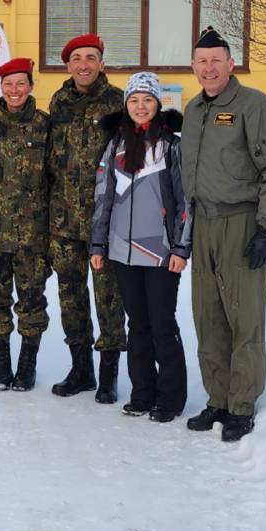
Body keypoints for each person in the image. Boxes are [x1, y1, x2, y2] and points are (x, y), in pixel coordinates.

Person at [179, 28, 266, 442]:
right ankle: (218, 398)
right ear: (193, 67)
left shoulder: (254, 107)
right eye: (201, 61)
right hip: (203, 225)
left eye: (216, 61)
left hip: (241, 221)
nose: (209, 68)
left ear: (231, 64)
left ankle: (242, 405)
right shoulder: (193, 111)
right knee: (208, 317)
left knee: (243, 317)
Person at [91, 72, 191, 423]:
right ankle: (142, 393)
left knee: (163, 324)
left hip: (161, 252)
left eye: (147, 99)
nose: (141, 106)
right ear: (126, 105)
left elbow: (184, 202)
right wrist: (99, 243)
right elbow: (103, 197)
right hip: (122, 251)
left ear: (158, 104)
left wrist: (181, 248)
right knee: (138, 325)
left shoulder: (171, 146)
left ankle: (171, 398)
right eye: (134, 100)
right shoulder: (115, 144)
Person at [0, 56, 55, 392]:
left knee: (32, 300)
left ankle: (27, 366)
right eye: (8, 83)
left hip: (34, 234)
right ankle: (2, 366)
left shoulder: (46, 126)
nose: (14, 90)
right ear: (0, 87)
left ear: (31, 86)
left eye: (21, 83)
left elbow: (54, 175)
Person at [46, 31, 126, 403]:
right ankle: (81, 370)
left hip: (104, 223)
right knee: (71, 297)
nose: (84, 65)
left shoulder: (118, 103)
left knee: (109, 299)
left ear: (102, 63)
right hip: (64, 223)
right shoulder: (59, 101)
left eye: (91, 58)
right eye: (77, 58)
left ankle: (109, 375)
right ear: (68, 65)